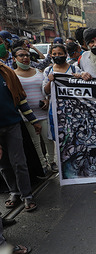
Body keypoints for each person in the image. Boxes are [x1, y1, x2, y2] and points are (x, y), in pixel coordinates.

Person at [0, 60, 41, 211]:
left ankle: (27, 195)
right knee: (3, 164)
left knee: (19, 162)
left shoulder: (7, 73)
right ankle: (14, 191)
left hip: (12, 125)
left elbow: (20, 99)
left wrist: (33, 120)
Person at [12, 47, 57, 174]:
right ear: (15, 58)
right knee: (35, 142)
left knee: (48, 139)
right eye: (21, 55)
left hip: (43, 113)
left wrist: (47, 100)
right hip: (27, 116)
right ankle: (42, 164)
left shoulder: (39, 72)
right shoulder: (12, 75)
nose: (25, 58)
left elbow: (47, 89)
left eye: (27, 55)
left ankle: (52, 162)